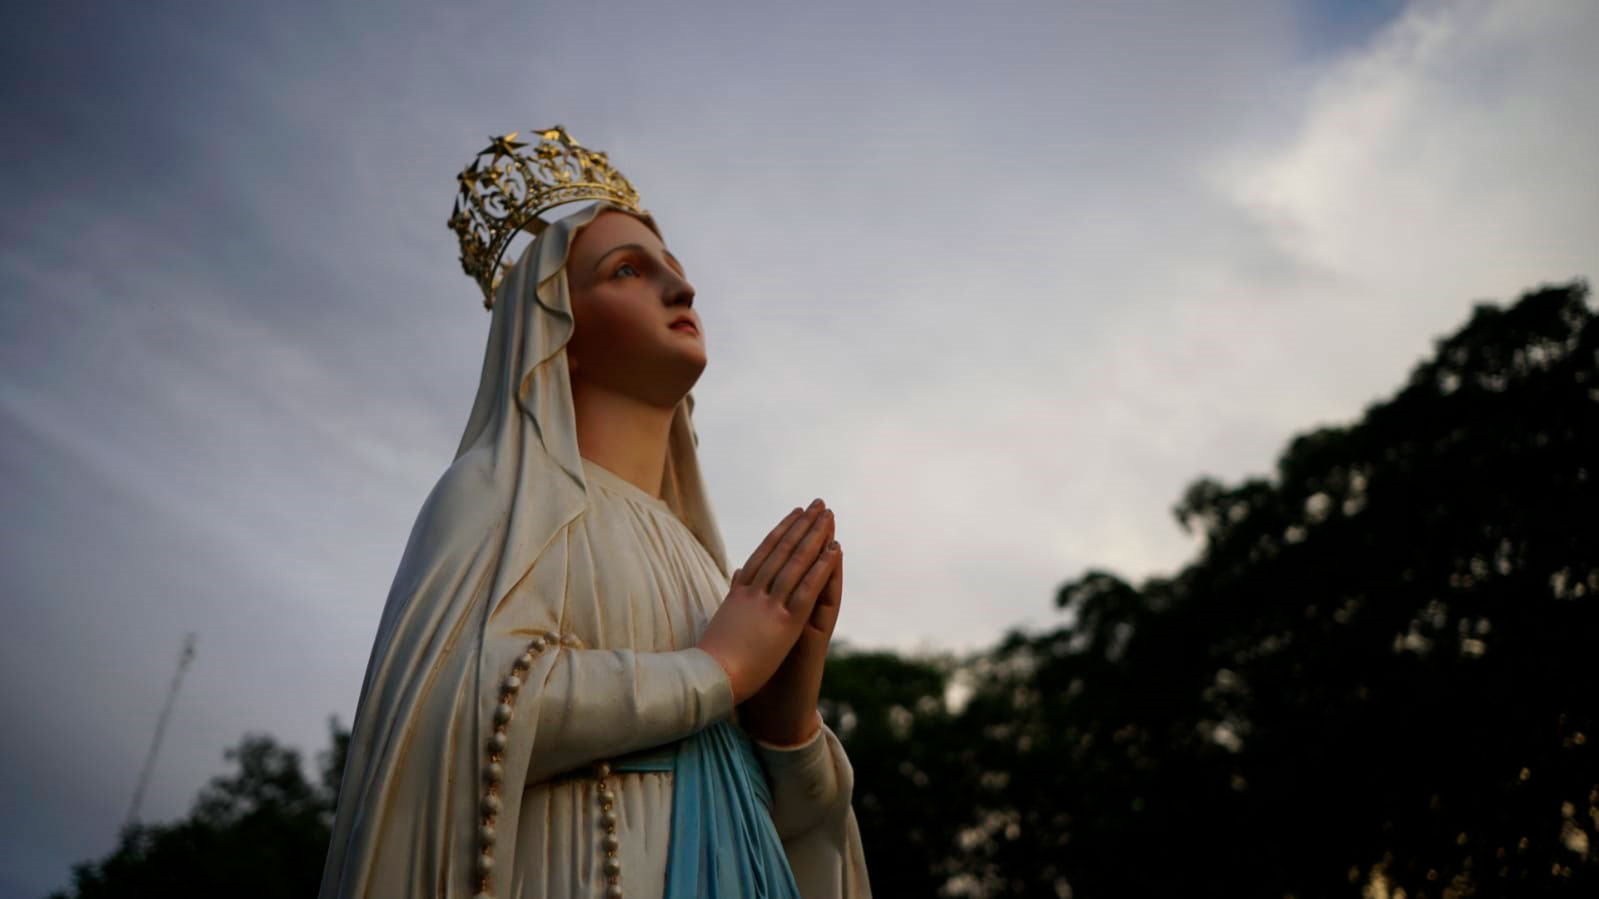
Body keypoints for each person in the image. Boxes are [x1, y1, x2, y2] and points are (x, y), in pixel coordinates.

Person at [319, 129, 871, 899]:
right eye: (628, 271)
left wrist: (786, 727)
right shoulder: (498, 494)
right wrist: (717, 669)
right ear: (556, 329)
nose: (682, 292)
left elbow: (782, 835)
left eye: (676, 272)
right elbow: (442, 717)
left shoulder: (700, 562)